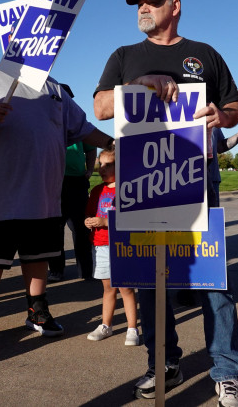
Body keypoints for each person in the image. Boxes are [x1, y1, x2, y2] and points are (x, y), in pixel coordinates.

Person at [94, 0, 238, 407]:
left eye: (152, 2)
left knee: (211, 278)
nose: (143, 9)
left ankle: (227, 370)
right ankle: (162, 362)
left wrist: (223, 114)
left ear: (174, 6)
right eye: (139, 4)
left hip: (197, 178)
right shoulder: (125, 57)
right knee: (149, 280)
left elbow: (235, 108)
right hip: (142, 183)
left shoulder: (205, 55)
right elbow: (102, 108)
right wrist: (141, 82)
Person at [0, 65, 113, 355]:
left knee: (38, 258)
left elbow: (83, 129)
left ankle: (37, 311)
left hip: (43, 194)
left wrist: (113, 143)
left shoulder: (54, 88)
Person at [84, 146, 140, 346]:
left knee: (126, 288)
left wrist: (105, 222)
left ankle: (132, 328)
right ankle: (106, 325)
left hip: (122, 245)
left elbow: (130, 218)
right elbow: (90, 213)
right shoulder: (96, 191)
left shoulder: (127, 188)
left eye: (109, 165)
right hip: (100, 245)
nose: (102, 169)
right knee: (108, 288)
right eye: (101, 164)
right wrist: (88, 221)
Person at [47, 84, 96, 282]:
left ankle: (86, 271)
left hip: (76, 182)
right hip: (54, 181)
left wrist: (90, 170)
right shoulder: (47, 122)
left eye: (68, 97)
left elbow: (91, 149)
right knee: (54, 229)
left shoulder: (79, 123)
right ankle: (56, 270)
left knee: (81, 228)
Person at [210, 119, 238, 206]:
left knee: (212, 219)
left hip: (212, 180)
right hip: (180, 180)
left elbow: (220, 146)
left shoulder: (211, 113)